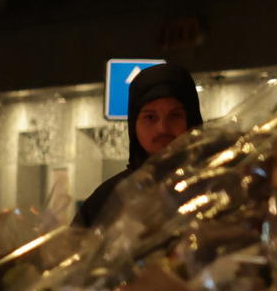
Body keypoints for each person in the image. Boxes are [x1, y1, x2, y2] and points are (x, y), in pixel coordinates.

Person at [76, 62, 203, 230]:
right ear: (134, 124)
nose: (162, 128)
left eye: (175, 116)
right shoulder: (108, 200)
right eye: (150, 117)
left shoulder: (215, 184)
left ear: (191, 120)